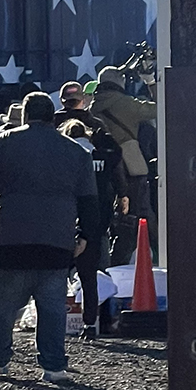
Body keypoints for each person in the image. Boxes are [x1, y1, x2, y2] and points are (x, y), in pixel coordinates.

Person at [0, 90, 101, 383]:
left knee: (4, 304)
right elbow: (89, 200)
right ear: (52, 117)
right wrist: (85, 234)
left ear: (25, 115)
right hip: (57, 241)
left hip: (10, 237)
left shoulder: (4, 141)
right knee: (52, 306)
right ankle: (54, 365)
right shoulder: (76, 152)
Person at [59, 115, 123, 338]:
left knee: (56, 276)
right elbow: (117, 169)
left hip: (65, 220)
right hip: (96, 221)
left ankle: (57, 320)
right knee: (90, 277)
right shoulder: (100, 155)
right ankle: (90, 324)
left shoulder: (65, 156)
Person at [89, 66, 157, 260]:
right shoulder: (127, 103)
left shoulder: (92, 107)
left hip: (101, 171)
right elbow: (161, 108)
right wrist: (150, 81)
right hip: (131, 170)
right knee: (138, 215)